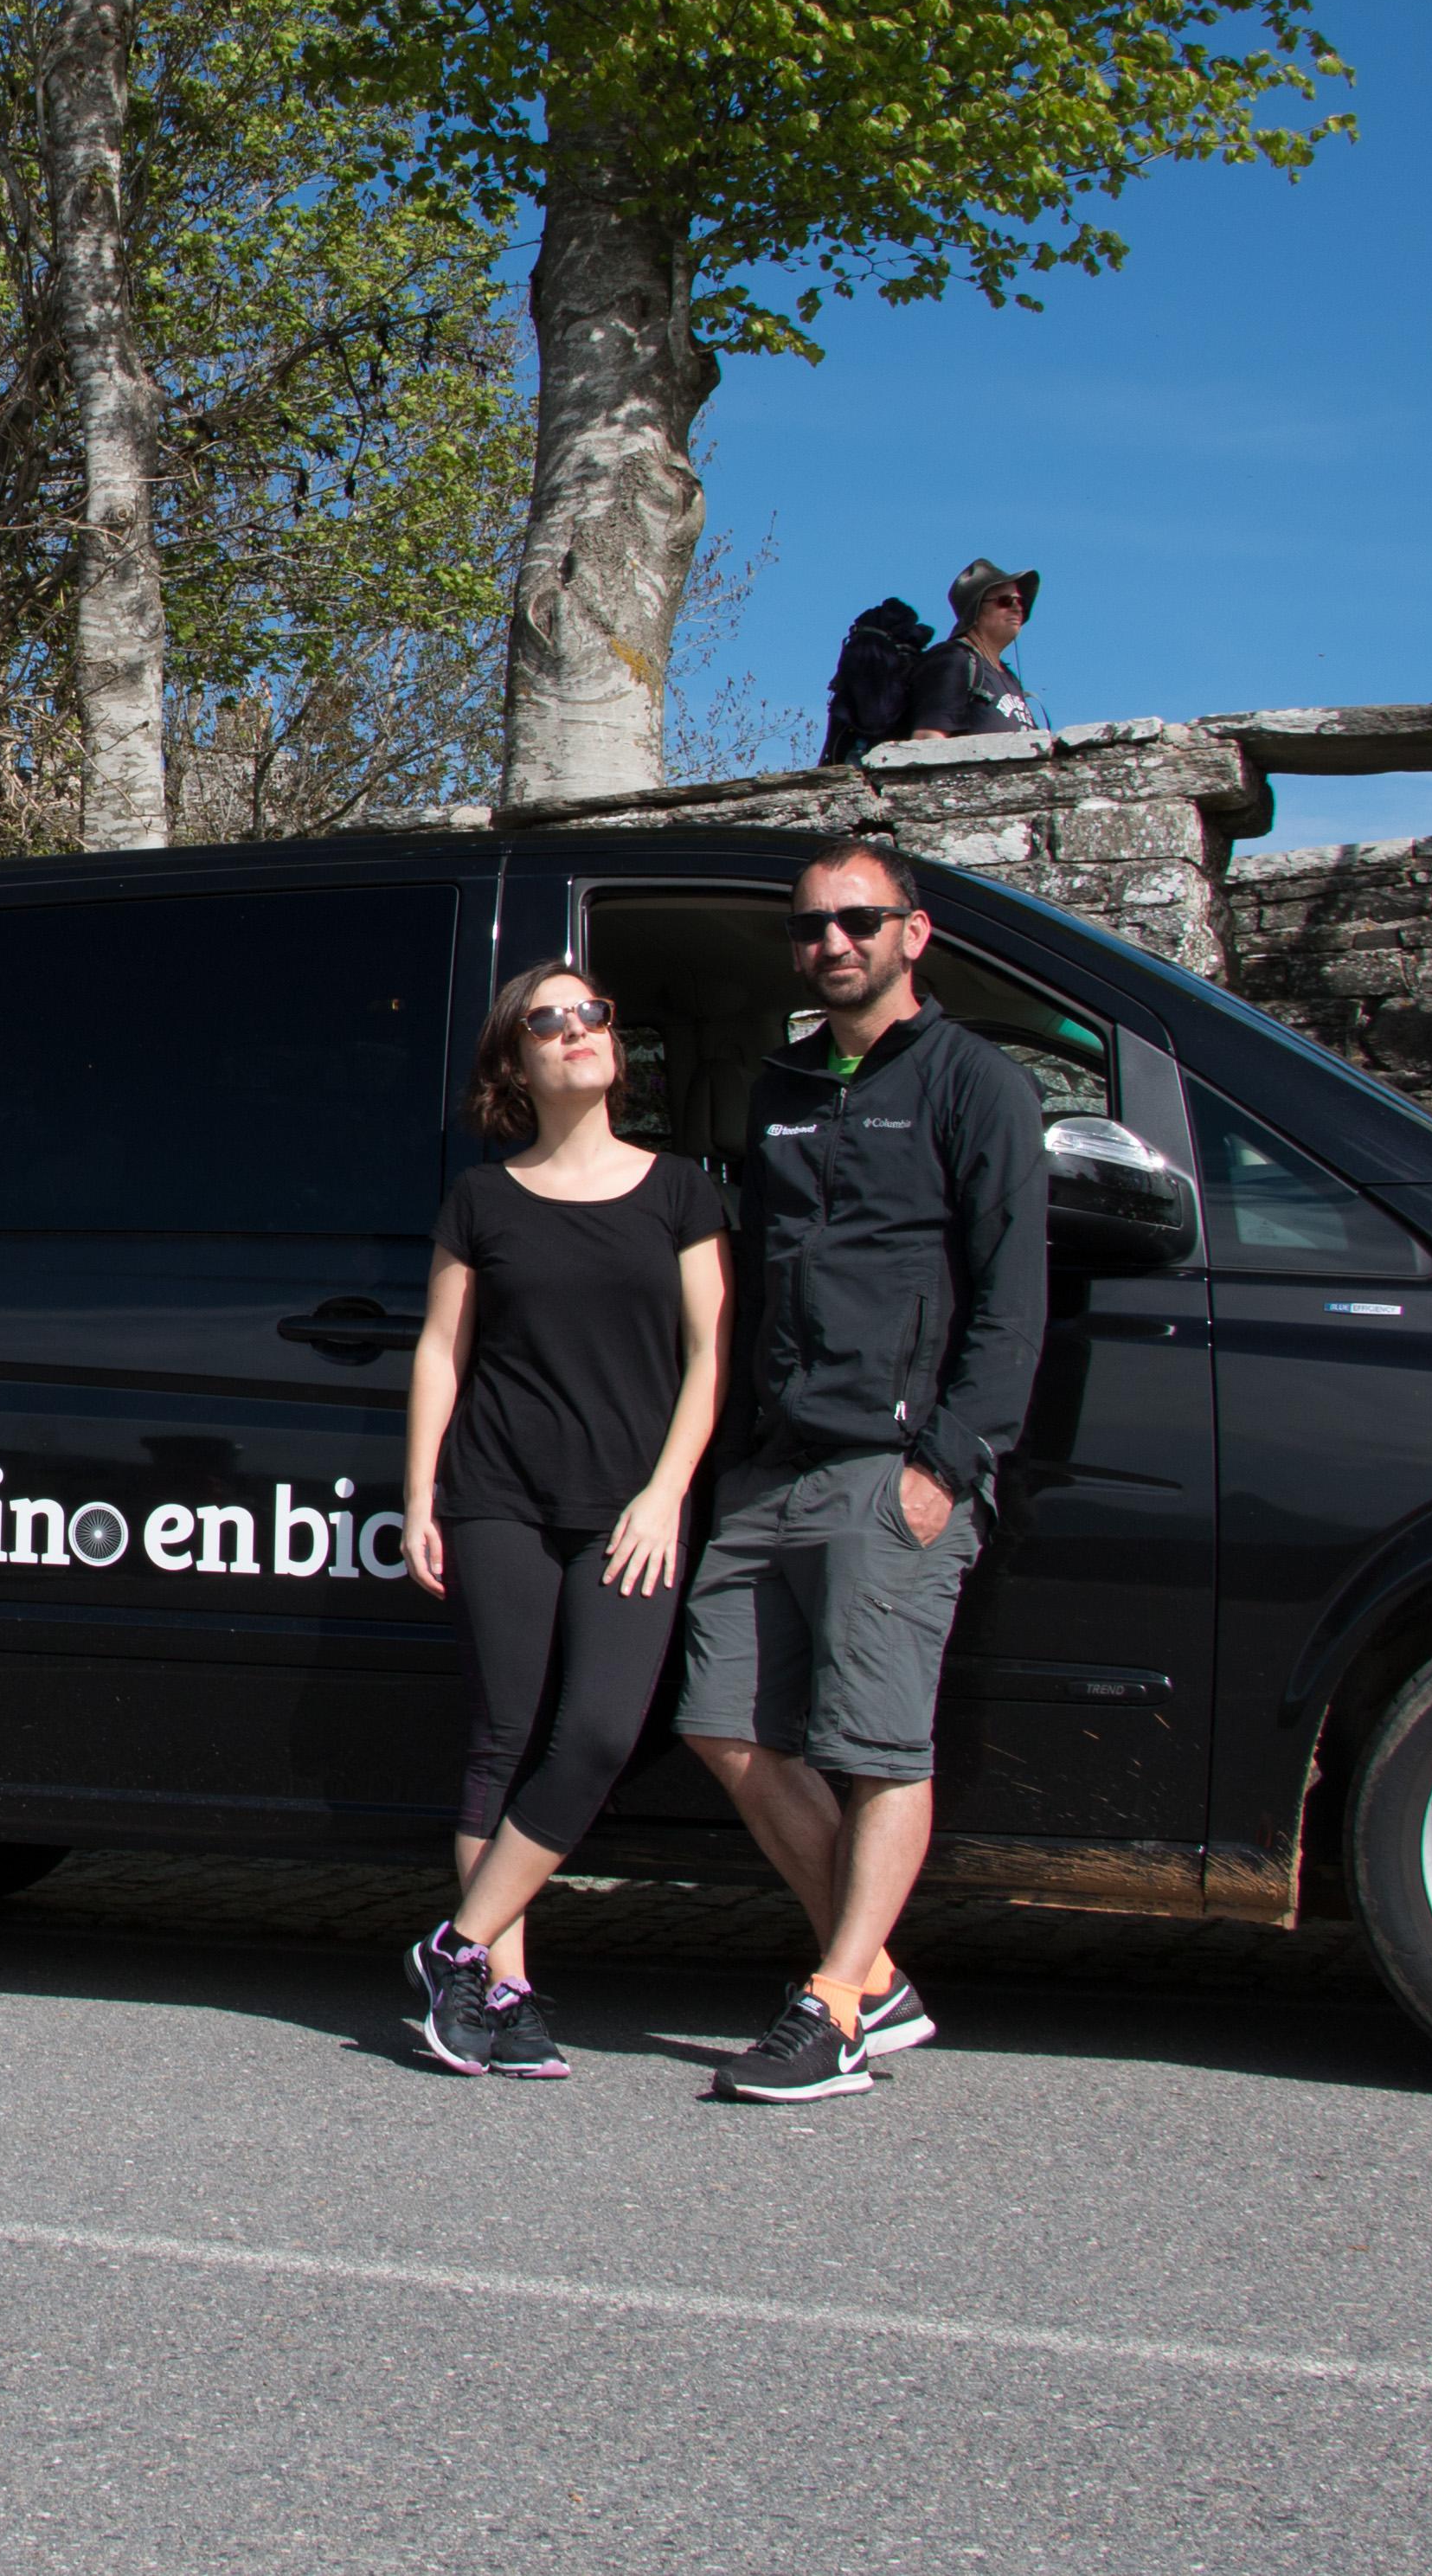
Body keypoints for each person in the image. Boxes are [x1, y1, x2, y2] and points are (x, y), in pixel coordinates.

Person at [674, 843, 1047, 2100]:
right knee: (720, 1721)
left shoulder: (970, 1080)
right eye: (810, 927)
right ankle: (876, 1974)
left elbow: (1010, 1294)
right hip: (766, 1460)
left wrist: (945, 1460)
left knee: (877, 1745)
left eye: (856, 922)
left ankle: (829, 2002)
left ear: (911, 933)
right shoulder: (779, 1082)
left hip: (891, 1464)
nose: (830, 943)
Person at [398, 962, 731, 2078]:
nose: (579, 1029)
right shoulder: (481, 1198)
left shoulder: (680, 1190)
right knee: (502, 1741)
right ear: (517, 1061)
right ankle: (501, 1997)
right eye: (551, 1020)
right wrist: (420, 1495)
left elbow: (709, 1357)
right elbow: (442, 1353)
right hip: (496, 1495)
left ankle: (458, 1947)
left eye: (594, 1014)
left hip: (630, 1510)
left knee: (593, 1736)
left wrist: (666, 1490)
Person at [903, 561, 1046, 741]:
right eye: (1005, 601)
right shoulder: (954, 659)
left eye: (1021, 602)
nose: (1017, 608)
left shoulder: (1009, 677)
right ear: (976, 610)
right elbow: (927, 739)